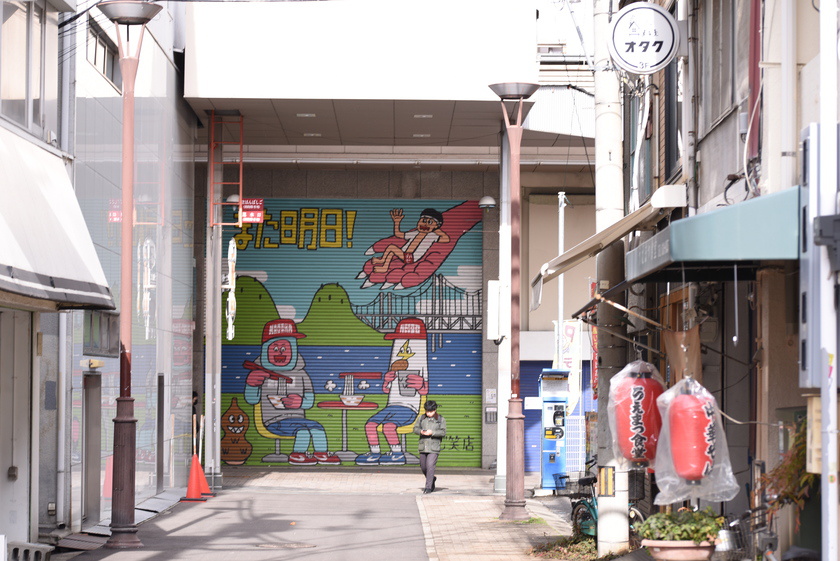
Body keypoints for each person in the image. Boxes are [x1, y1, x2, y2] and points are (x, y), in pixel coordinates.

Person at [243, 318, 340, 465]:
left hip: (297, 419)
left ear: (293, 350)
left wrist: (301, 402)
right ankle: (297, 455)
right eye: (275, 348)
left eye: (284, 348)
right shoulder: (260, 373)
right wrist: (251, 385)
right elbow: (252, 400)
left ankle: (321, 454)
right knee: (303, 432)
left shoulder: (301, 374)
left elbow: (309, 400)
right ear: (266, 350)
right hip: (273, 421)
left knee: (318, 427)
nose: (280, 353)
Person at [372, 208, 450, 273]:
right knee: (391, 249)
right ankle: (382, 260)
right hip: (405, 254)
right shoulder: (415, 233)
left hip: (411, 257)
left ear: (436, 226)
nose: (425, 224)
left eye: (430, 222)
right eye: (423, 221)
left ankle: (384, 267)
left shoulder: (432, 236)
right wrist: (397, 222)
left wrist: (437, 229)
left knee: (392, 248)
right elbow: (398, 234)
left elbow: (446, 239)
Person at [413, 400, 446, 493]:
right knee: (423, 467)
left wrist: (432, 432)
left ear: (435, 410)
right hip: (423, 446)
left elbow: (443, 432)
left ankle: (428, 487)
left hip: (433, 448)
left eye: (431, 411)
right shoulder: (421, 418)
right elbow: (415, 429)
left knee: (430, 466)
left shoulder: (440, 419)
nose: (429, 413)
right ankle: (432, 478)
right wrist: (421, 431)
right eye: (427, 411)